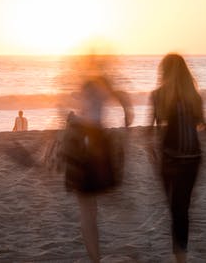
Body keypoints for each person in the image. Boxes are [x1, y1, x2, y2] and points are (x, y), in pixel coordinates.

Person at [148, 53, 206, 262]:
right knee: (182, 209)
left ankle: (180, 257)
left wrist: (150, 147)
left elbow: (150, 131)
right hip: (193, 159)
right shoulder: (193, 97)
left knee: (175, 209)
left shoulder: (158, 95)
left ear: (164, 71)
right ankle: (181, 255)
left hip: (170, 158)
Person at [61, 54, 134, 263]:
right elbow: (121, 97)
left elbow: (80, 111)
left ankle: (95, 258)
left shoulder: (85, 83)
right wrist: (127, 114)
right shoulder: (103, 82)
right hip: (96, 141)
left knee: (87, 210)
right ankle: (96, 257)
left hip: (84, 142)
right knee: (91, 207)